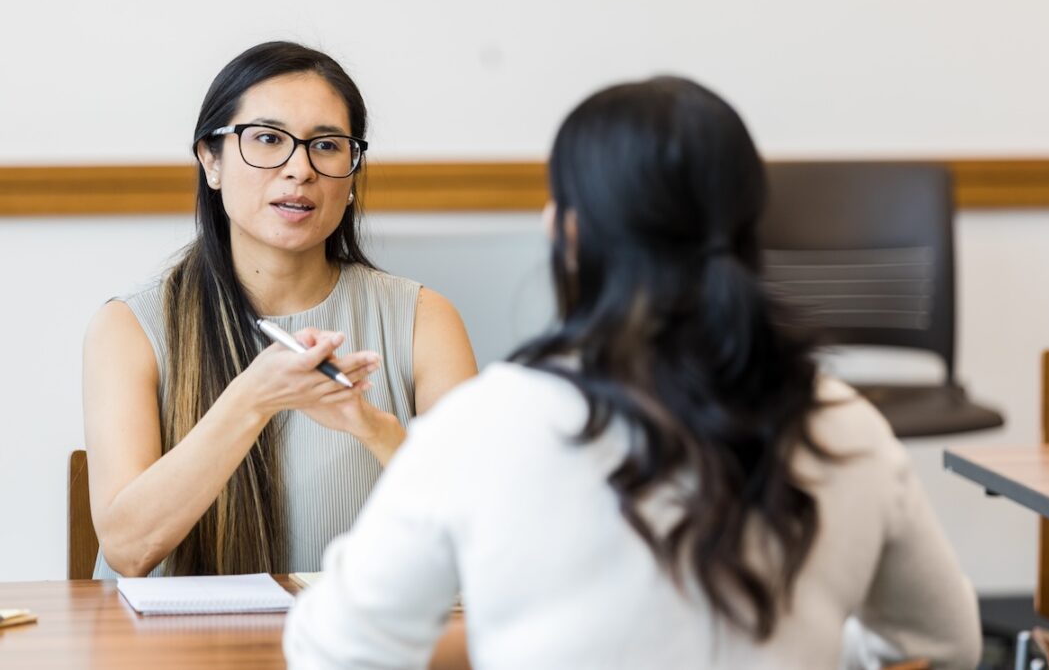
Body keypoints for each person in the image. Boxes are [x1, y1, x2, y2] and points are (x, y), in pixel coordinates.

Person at [283, 76, 981, 669]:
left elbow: (334, 647)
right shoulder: (842, 421)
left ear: (568, 233)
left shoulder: (489, 423)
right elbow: (947, 640)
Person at [83, 41, 477, 578]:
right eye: (268, 139)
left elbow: (481, 533)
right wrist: (254, 397)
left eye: (327, 146)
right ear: (211, 160)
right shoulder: (128, 327)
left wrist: (372, 429)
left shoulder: (425, 320)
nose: (300, 169)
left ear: (352, 173)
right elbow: (128, 550)